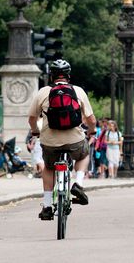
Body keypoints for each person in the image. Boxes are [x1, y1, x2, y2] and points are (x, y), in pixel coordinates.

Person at [28, 59, 96, 220]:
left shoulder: (43, 92)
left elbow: (31, 118)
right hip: (74, 140)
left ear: (51, 76)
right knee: (84, 154)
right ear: (68, 76)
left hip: (49, 142)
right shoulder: (78, 91)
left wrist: (35, 132)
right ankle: (78, 184)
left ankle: (46, 206)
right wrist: (91, 132)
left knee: (49, 168)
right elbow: (91, 120)